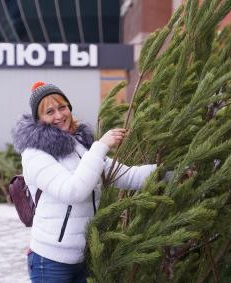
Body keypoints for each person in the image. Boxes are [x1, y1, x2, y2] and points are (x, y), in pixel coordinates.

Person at [11, 81, 156, 283]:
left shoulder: (79, 146)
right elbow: (73, 191)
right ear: (39, 119)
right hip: (51, 262)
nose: (59, 115)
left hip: (84, 258)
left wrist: (172, 171)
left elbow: (127, 175)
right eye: (50, 111)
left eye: (62, 107)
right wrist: (100, 146)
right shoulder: (35, 154)